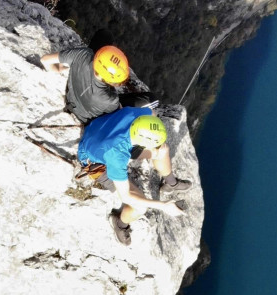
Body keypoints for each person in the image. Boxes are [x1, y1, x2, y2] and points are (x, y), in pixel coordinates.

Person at [78, 106, 192, 245]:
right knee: (139, 207)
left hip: (102, 134)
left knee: (162, 149)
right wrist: (163, 206)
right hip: (97, 164)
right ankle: (120, 224)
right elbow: (125, 196)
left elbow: (152, 113)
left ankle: (171, 183)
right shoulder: (116, 156)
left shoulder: (135, 116)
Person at [40, 45, 129, 124]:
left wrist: (59, 70)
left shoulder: (82, 54)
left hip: (70, 97)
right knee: (140, 99)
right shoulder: (110, 100)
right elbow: (118, 117)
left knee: (104, 35)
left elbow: (44, 59)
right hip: (82, 118)